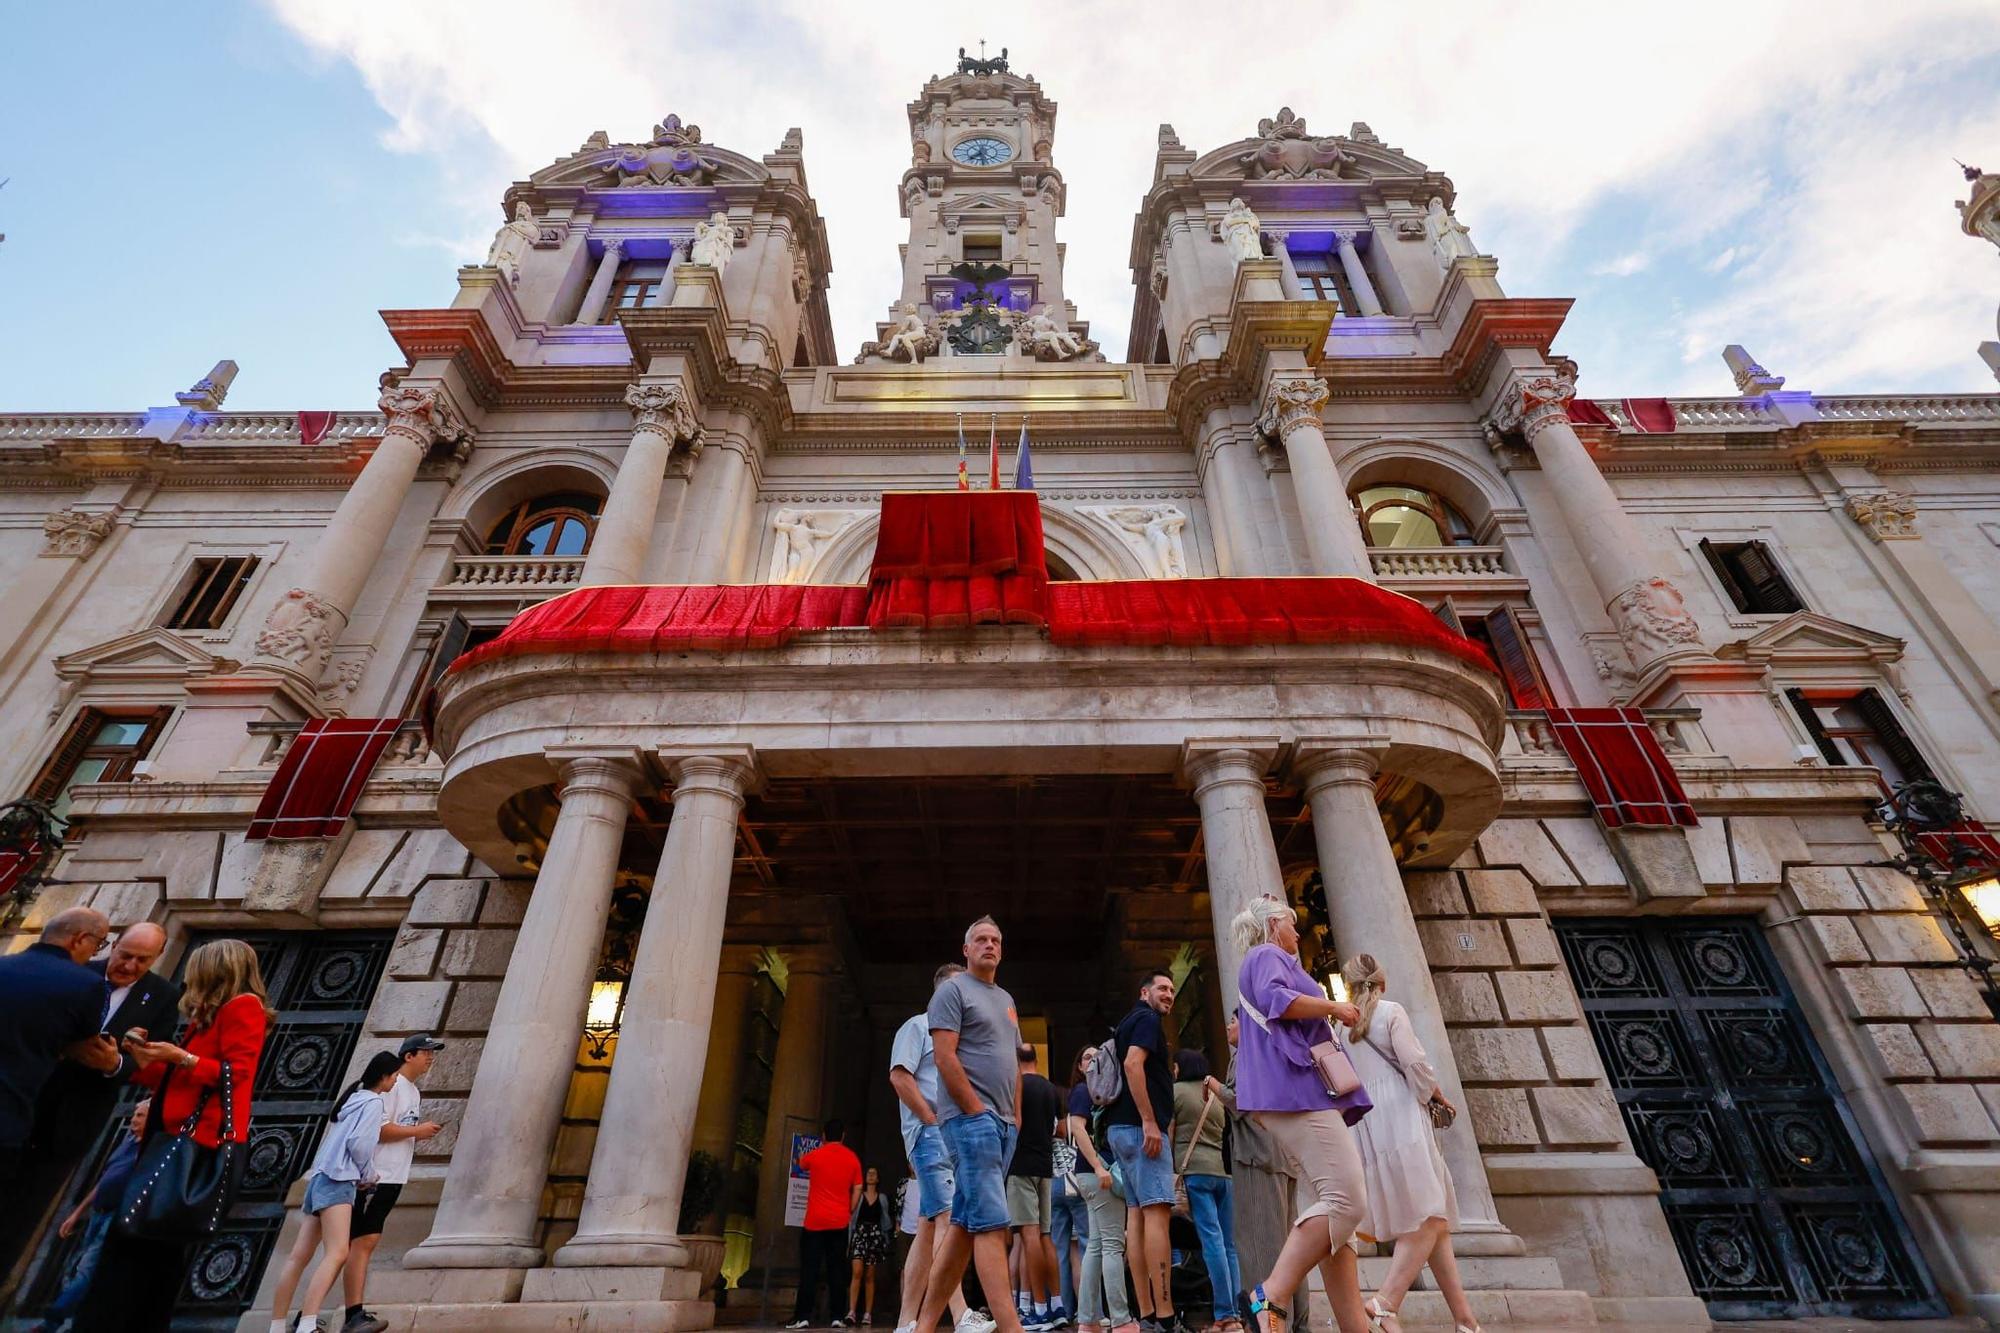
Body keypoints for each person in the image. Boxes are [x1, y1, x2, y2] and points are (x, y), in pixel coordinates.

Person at [74, 936, 274, 1333]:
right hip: (170, 1139)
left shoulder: (243, 1007)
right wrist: (128, 1059)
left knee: (139, 1244)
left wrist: (180, 1057)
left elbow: (238, 1074)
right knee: (145, 1246)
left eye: (195, 968)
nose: (188, 976)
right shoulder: (208, 1016)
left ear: (214, 970)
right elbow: (179, 1079)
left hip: (195, 1143)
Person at [7, 921, 180, 1291]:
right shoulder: (78, 973)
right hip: (24, 1103)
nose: (130, 966)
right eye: (126, 955)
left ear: (157, 959)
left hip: (74, 1120)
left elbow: (152, 1061)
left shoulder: (162, 997)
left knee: (22, 1213)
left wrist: (114, 1065)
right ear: (111, 946)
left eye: (142, 960)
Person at [1230, 896, 1371, 1333]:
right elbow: (1279, 999)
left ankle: (1355, 1327)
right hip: (1297, 1092)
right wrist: (1334, 1007)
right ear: (1274, 925)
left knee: (1336, 1219)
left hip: (1289, 1094)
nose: (1297, 932)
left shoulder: (1261, 957)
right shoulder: (1268, 953)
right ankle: (1269, 1295)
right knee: (1348, 1202)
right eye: (1292, 924)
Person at [1337, 956, 1481, 1333]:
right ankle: (1386, 1302)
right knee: (1431, 1213)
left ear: (1348, 985)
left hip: (1368, 1124)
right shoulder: (1391, 1011)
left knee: (1435, 1224)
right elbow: (1415, 1064)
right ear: (1381, 980)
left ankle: (1466, 1321)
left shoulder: (1341, 1025)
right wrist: (1434, 1094)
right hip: (1401, 1117)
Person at [913, 917, 1027, 1333]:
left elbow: (1014, 1062)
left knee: (962, 1226)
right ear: (966, 949)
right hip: (969, 1121)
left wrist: (1014, 1118)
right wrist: (977, 1111)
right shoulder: (951, 991)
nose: (989, 945)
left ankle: (925, 1326)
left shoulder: (1007, 999)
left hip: (1002, 1124)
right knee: (992, 1224)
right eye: (981, 939)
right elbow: (944, 1057)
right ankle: (1012, 1328)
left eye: (996, 939)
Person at [267, 1051, 402, 1333]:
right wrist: (369, 1175)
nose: (395, 1081)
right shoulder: (374, 1102)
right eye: (394, 1075)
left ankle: (277, 1326)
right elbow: (360, 1145)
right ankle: (306, 1324)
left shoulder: (352, 1100)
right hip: (340, 1180)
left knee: (298, 1256)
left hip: (319, 1178)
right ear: (384, 1076)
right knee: (338, 1252)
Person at [889, 963, 990, 1333]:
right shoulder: (916, 1026)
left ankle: (905, 1322)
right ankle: (961, 1313)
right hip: (931, 1133)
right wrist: (931, 1122)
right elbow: (900, 1076)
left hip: (956, 1135)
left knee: (928, 1226)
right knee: (950, 1218)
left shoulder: (960, 1039)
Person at [337, 1034, 445, 1333]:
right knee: (355, 1243)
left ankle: (353, 1312)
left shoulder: (412, 1091)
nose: (430, 1057)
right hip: (374, 1176)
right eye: (425, 1052)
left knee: (367, 1241)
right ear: (408, 1055)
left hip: (393, 1176)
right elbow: (378, 1129)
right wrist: (416, 1132)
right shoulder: (390, 1086)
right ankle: (347, 1312)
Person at [0, 908, 112, 1191]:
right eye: (99, 944)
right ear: (79, 939)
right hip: (8, 1118)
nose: (95, 953)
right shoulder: (89, 985)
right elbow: (83, 1047)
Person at [1103, 970, 1177, 1333]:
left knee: (1136, 1215)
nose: (1169, 994)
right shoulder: (1147, 1019)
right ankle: (1165, 1316)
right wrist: (1150, 1121)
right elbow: (1134, 1064)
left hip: (1119, 1129)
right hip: (1140, 1129)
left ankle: (1147, 1314)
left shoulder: (1127, 1021)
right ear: (1143, 991)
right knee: (1158, 1213)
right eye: (1162, 988)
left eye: (1173, 990)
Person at [34, 1102, 147, 1333]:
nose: (133, 1119)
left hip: (117, 1216)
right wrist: (77, 1213)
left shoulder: (150, 1149)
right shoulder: (127, 1142)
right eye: (134, 1113)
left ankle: (50, 1323)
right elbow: (104, 1180)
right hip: (98, 1212)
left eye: (140, 1115)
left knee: (87, 1269)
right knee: (84, 1271)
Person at [1173, 1049, 1242, 1333]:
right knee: (1229, 1245)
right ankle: (1235, 1313)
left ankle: (1224, 1315)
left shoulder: (1174, 1092)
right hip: (1221, 1174)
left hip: (1195, 1173)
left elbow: (1169, 1131)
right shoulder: (1216, 1096)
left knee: (1211, 1242)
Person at [1064, 1047, 1132, 1333]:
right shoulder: (1083, 1091)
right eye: (1088, 1058)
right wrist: (1099, 1166)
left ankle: (1088, 1319)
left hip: (1090, 1175)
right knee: (1113, 1245)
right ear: (1079, 1066)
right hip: (1097, 1174)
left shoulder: (1097, 1092)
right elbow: (1077, 1128)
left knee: (1095, 1245)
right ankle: (1121, 1319)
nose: (1094, 1061)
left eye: (1098, 1057)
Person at [1006, 1044, 1064, 1331]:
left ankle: (1038, 1310)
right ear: (1037, 1060)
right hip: (1045, 1166)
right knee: (1045, 1236)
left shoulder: (1015, 1086)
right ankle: (1057, 1304)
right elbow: (1061, 1130)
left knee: (1027, 1237)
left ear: (1015, 1061)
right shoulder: (1051, 1090)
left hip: (1020, 1167)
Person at [788, 1118, 864, 1329]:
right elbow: (858, 1187)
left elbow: (800, 1162)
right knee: (837, 1271)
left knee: (809, 1270)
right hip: (839, 1221)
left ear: (823, 1136)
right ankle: (837, 1316)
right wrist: (849, 1207)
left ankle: (803, 1316)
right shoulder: (852, 1158)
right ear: (842, 1136)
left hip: (814, 1221)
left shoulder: (816, 1155)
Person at [846, 1165, 894, 1325]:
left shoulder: (882, 1198)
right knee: (857, 1272)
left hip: (874, 1236)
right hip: (860, 1233)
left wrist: (886, 1240)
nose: (871, 1176)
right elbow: (853, 1218)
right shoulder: (859, 1196)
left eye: (874, 1173)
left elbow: (885, 1220)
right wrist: (849, 1239)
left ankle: (867, 1313)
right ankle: (852, 1311)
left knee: (869, 1275)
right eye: (869, 1173)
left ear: (878, 1178)